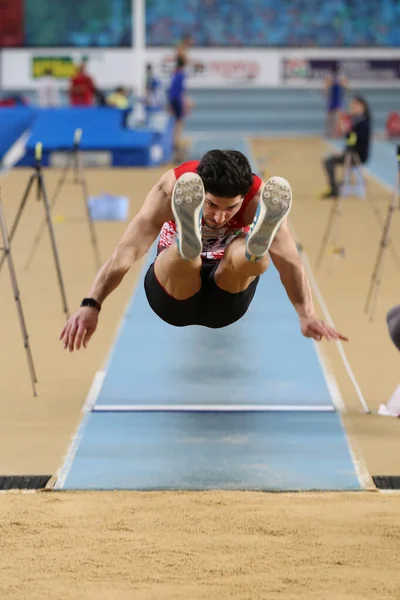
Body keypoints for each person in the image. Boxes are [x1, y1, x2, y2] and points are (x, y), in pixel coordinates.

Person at [60, 149, 347, 352]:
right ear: (200, 192)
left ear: (244, 197)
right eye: (211, 205)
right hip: (171, 295)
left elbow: (290, 262)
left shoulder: (258, 199)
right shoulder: (170, 189)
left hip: (227, 299)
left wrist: (306, 314)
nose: (221, 217)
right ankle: (188, 243)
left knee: (249, 259)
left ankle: (252, 249)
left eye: (231, 208)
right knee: (183, 259)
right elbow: (126, 252)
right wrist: (91, 304)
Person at [321, 96, 371, 199]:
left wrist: (346, 129)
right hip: (350, 152)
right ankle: (336, 188)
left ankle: (335, 189)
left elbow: (354, 139)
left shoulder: (363, 122)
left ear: (362, 107)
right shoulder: (355, 120)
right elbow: (350, 139)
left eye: (355, 106)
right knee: (328, 160)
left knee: (328, 161)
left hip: (357, 155)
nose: (352, 108)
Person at [168, 56, 188, 163]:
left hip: (173, 99)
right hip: (177, 100)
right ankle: (176, 147)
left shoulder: (175, 73)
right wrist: (183, 104)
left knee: (177, 124)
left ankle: (175, 147)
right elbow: (180, 91)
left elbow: (171, 90)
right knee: (179, 124)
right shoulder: (181, 74)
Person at [323, 64, 347, 138]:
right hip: (332, 101)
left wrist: (342, 84)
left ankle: (338, 133)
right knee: (329, 119)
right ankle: (329, 133)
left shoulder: (341, 78)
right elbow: (324, 89)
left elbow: (346, 88)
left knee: (338, 119)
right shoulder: (329, 78)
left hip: (338, 101)